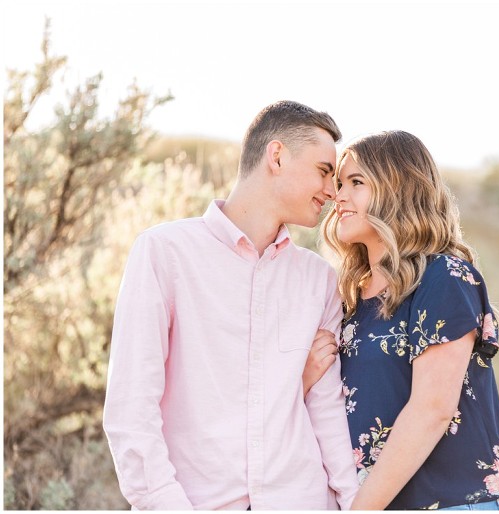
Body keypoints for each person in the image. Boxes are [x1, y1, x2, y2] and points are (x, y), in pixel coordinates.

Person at [103, 100, 358, 510]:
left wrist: (355, 504)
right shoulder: (164, 254)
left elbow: (325, 410)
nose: (332, 191)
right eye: (324, 172)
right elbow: (132, 410)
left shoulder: (319, 280)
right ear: (276, 156)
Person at [307, 130, 499, 510]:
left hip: (462, 502)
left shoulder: (442, 276)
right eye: (339, 183)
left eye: (356, 183)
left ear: (398, 188)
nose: (338, 196)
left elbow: (433, 409)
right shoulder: (346, 300)